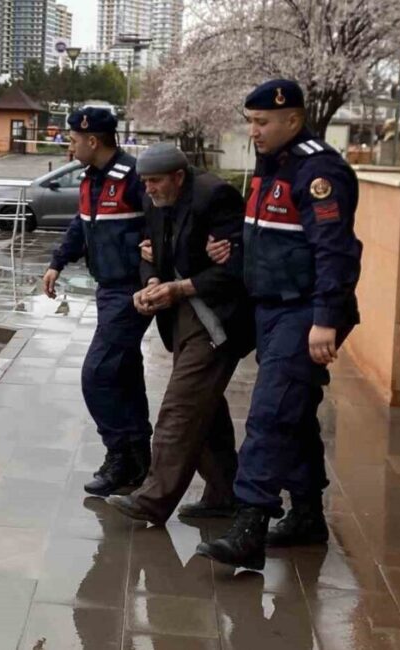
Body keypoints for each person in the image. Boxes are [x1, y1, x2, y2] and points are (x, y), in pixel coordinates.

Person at [195, 80, 363, 570]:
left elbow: (335, 251)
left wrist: (325, 319)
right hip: (271, 310)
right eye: (249, 121)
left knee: (269, 413)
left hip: (304, 311)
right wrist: (232, 251)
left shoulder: (317, 171)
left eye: (262, 122)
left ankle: (251, 523)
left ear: (293, 119)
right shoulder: (272, 169)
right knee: (294, 412)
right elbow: (275, 240)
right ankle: (308, 514)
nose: (254, 131)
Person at [103, 143, 254, 525]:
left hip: (218, 319)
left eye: (155, 182)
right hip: (181, 318)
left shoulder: (216, 197)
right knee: (205, 407)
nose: (148, 190)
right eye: (145, 182)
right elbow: (150, 252)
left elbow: (237, 268)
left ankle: (152, 500)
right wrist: (151, 281)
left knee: (180, 408)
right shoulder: (155, 199)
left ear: (179, 178)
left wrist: (179, 288)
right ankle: (224, 494)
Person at [42, 107, 152, 497]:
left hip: (131, 291)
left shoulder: (133, 177)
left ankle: (120, 454)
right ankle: (139, 458)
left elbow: (161, 225)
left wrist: (151, 273)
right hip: (108, 289)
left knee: (97, 374)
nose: (69, 146)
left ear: (92, 140)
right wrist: (58, 261)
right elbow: (81, 224)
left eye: (72, 140)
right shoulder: (91, 179)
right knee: (123, 372)